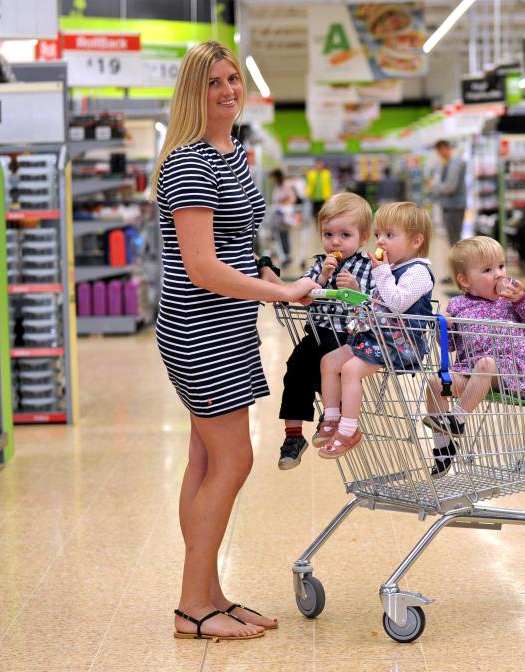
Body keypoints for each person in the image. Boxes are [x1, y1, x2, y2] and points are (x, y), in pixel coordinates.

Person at [150, 40, 319, 641]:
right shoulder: (189, 162)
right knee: (233, 458)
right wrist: (283, 294)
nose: (227, 90)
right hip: (198, 325)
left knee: (205, 460)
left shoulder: (233, 154)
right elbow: (201, 268)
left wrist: (274, 275)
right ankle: (191, 604)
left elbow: (237, 244)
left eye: (232, 79)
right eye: (213, 82)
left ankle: (210, 593)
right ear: (193, 92)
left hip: (228, 323)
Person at [314, 202, 435, 459]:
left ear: (416, 241)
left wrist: (381, 272)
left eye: (389, 235)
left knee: (349, 370)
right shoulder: (390, 268)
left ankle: (349, 430)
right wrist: (359, 291)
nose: (381, 241)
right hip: (374, 337)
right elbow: (375, 301)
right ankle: (332, 418)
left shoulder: (419, 272)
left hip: (399, 344)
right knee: (328, 362)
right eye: (379, 234)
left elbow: (396, 303)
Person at [422, 236, 525, 477]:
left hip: (513, 373)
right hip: (474, 372)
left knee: (487, 363)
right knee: (436, 384)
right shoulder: (457, 305)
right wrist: (444, 325)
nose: (499, 274)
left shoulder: (510, 302)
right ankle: (443, 448)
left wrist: (521, 299)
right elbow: (448, 346)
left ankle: (457, 419)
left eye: (501, 266)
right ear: (465, 280)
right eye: (488, 270)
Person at [277, 192, 374, 470]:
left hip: (348, 336)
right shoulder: (320, 263)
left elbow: (377, 302)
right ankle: (293, 437)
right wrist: (319, 280)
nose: (335, 241)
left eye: (345, 235)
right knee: (295, 370)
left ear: (363, 238)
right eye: (328, 234)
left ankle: (333, 416)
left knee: (331, 366)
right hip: (317, 332)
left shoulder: (368, 267)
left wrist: (356, 290)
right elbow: (302, 287)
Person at [432, 139, 468, 249]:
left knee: (454, 237)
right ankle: (457, 261)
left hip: (454, 206)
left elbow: (450, 187)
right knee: (454, 236)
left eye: (438, 151)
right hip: (452, 205)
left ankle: (458, 262)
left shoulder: (454, 164)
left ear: (444, 149)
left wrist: (436, 185)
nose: (438, 154)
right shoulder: (447, 163)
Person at [267, 168, 297, 268]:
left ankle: (286, 258)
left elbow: (292, 199)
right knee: (278, 237)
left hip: (284, 216)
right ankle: (283, 257)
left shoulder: (285, 186)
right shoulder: (278, 187)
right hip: (278, 215)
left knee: (284, 236)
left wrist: (282, 202)